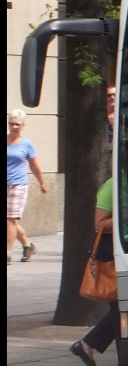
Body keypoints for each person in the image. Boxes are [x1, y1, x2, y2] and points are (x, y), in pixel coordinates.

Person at [69, 177, 116, 366]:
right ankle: (87, 343)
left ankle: (88, 345)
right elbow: (100, 224)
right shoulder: (112, 185)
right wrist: (127, 218)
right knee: (123, 307)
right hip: (111, 252)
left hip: (121, 249)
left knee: (123, 308)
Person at [7, 109, 48, 264]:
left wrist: (42, 183)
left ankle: (8, 253)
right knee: (10, 221)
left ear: (23, 125)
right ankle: (27, 245)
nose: (14, 127)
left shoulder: (27, 144)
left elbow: (34, 166)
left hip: (18, 184)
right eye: (11, 124)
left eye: (17, 124)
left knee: (10, 219)